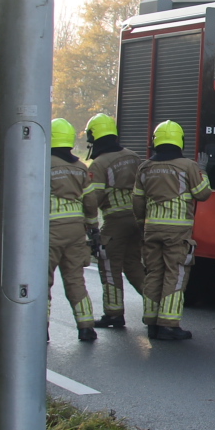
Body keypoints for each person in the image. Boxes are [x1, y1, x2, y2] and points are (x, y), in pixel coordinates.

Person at [134, 119, 210, 342]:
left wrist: (142, 224)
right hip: (177, 232)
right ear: (179, 141)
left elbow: (137, 201)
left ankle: (152, 323)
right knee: (175, 274)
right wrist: (203, 171)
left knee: (153, 273)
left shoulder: (145, 167)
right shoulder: (187, 166)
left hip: (151, 230)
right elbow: (203, 193)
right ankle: (168, 324)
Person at [83, 112, 144, 330]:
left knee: (109, 266)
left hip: (115, 222)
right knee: (134, 264)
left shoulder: (98, 164)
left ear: (95, 135)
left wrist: (89, 225)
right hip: (138, 220)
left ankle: (114, 313)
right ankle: (156, 307)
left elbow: (93, 199)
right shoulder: (133, 156)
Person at [46, 118, 100, 343]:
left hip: (49, 232)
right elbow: (90, 201)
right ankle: (86, 326)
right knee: (76, 280)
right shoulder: (80, 167)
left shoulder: (42, 163)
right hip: (76, 231)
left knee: (42, 281)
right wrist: (93, 227)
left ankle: (40, 329)